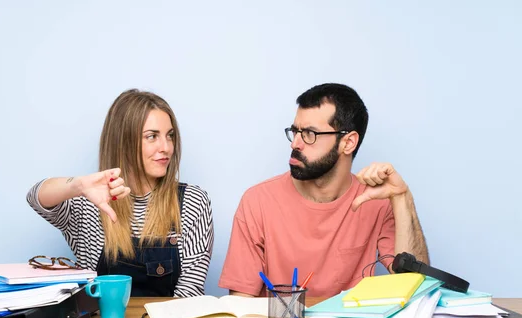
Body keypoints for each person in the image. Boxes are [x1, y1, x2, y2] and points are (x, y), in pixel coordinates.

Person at [218, 83, 429, 298]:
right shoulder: (257, 201)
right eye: (295, 131)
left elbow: (415, 284)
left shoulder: (376, 200)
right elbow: (241, 306)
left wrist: (402, 198)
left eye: (310, 133)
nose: (296, 144)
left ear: (348, 143)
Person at [27, 89, 214, 297]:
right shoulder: (90, 203)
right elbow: (36, 197)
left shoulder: (193, 202)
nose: (166, 147)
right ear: (123, 142)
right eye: (152, 136)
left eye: (170, 136)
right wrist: (77, 185)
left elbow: (190, 292)